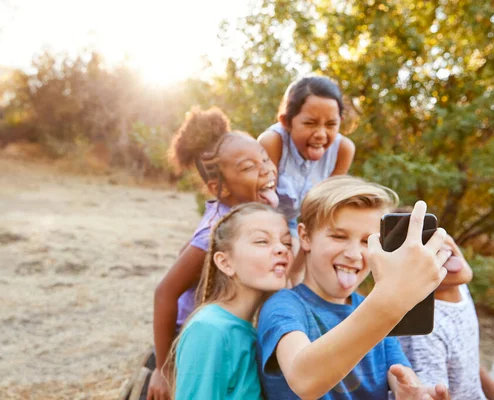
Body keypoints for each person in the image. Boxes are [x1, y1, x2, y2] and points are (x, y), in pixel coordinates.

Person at [257, 175, 451, 399]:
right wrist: (390, 301)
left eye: (367, 241)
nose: (353, 254)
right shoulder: (284, 307)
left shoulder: (375, 307)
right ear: (305, 236)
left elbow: (402, 378)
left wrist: (414, 393)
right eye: (339, 236)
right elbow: (303, 379)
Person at [146, 107, 278, 400]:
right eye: (248, 167)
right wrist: (162, 368)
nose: (266, 169)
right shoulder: (214, 234)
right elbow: (165, 292)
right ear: (220, 187)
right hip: (194, 337)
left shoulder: (241, 214)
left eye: (265, 158)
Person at [171, 202, 293, 399]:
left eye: (287, 242)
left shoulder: (252, 329)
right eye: (262, 241)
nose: (281, 249)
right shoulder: (209, 329)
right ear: (225, 263)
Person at [258, 75, 356, 282]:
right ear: (286, 122)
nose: (321, 134)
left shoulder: (343, 150)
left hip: (295, 223)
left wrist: (295, 273)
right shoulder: (273, 142)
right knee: (266, 269)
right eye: (310, 123)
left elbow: (321, 214)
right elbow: (257, 208)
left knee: (292, 280)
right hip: (258, 216)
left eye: (331, 124)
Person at [399, 234, 494, 400]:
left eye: (434, 230)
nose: (439, 244)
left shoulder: (457, 286)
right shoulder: (426, 331)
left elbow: (469, 366)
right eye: (424, 245)